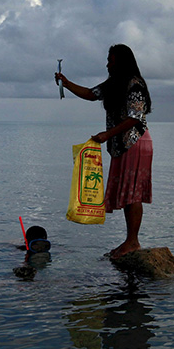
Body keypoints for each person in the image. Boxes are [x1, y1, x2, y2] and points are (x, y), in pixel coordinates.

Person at [55, 44, 153, 258]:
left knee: (133, 193)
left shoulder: (135, 84)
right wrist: (66, 83)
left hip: (135, 142)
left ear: (121, 61)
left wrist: (107, 135)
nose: (108, 64)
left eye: (111, 60)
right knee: (128, 193)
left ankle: (133, 242)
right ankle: (130, 240)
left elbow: (135, 118)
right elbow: (91, 94)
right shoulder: (114, 83)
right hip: (123, 144)